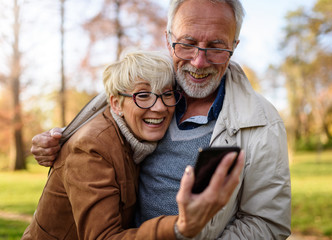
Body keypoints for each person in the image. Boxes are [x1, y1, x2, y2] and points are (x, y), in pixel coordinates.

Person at [31, 0, 291, 239]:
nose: (199, 62)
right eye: (187, 44)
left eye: (216, 47)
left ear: (233, 46)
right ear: (168, 40)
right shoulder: (149, 81)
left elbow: (266, 222)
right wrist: (60, 138)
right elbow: (110, 110)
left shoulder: (261, 122)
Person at [23, 50, 244, 240]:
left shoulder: (138, 137)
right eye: (143, 95)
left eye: (166, 93)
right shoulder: (90, 149)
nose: (158, 107)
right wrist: (180, 226)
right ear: (116, 104)